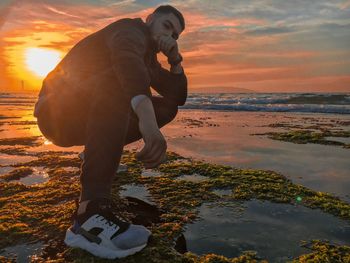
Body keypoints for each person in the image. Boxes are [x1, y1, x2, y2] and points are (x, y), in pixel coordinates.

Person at [33, 5, 187, 259]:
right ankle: (88, 217)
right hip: (55, 114)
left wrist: (175, 60)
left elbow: (177, 97)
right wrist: (147, 123)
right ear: (150, 20)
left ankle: (94, 154)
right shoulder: (129, 31)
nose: (169, 36)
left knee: (167, 108)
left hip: (86, 114)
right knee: (117, 82)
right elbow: (127, 64)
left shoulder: (149, 59)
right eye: (167, 26)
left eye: (175, 35)